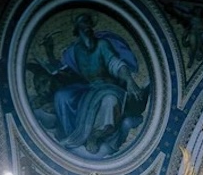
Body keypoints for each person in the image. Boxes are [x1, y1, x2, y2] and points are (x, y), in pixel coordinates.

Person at [32, 12, 149, 156]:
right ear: (77, 29)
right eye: (83, 23)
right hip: (89, 89)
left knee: (110, 100)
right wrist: (49, 52)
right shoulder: (75, 51)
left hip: (109, 87)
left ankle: (96, 134)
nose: (86, 26)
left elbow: (116, 64)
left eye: (88, 23)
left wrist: (130, 81)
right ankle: (70, 135)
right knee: (62, 96)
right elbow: (63, 70)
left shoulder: (102, 45)